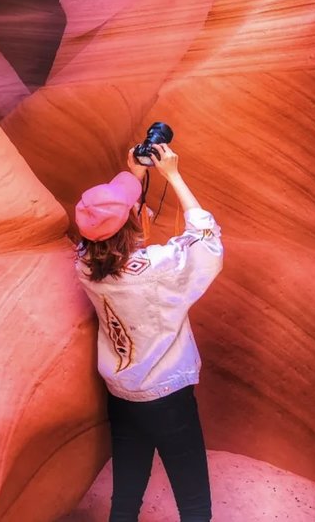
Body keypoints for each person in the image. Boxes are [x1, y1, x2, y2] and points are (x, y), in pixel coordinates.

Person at [73, 143, 223, 522]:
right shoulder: (157, 268)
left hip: (122, 396)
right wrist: (172, 175)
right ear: (132, 223)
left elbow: (103, 232)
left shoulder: (85, 264)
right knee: (194, 507)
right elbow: (207, 240)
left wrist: (134, 179)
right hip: (167, 399)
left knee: (125, 500)